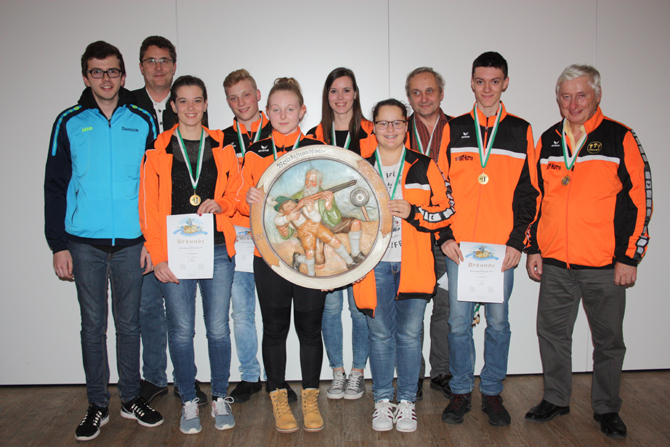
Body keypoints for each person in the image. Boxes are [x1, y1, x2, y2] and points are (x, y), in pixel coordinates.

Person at [524, 64, 652, 439]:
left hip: (604, 265)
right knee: (551, 334)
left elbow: (640, 200)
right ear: (558, 99)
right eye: (565, 96)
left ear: (597, 95)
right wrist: (533, 248)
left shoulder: (619, 136)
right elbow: (534, 198)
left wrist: (629, 256)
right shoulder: (548, 140)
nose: (573, 103)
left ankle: (607, 407)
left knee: (608, 341)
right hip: (555, 263)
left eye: (581, 95)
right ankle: (556, 398)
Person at [44, 40, 163, 442]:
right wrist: (58, 244)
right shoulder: (69, 121)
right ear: (86, 77)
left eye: (112, 71)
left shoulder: (143, 120)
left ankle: (130, 398)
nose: (106, 78)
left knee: (129, 326)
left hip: (132, 242)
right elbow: (55, 185)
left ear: (124, 75)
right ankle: (97, 404)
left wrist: (153, 240)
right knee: (92, 327)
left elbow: (156, 185)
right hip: (83, 244)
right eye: (97, 71)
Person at [437, 52, 539, 427]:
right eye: (480, 81)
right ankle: (461, 390)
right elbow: (440, 187)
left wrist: (517, 242)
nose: (487, 89)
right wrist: (445, 235)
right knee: (457, 324)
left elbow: (529, 192)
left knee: (498, 324)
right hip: (460, 249)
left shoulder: (520, 129)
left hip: (500, 250)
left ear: (505, 83)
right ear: (471, 82)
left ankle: (492, 392)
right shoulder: (455, 128)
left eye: (495, 81)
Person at [139, 75, 241, 434]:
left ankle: (219, 397)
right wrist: (158, 256)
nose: (190, 107)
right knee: (181, 331)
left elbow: (237, 192)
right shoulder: (158, 149)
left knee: (218, 328)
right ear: (173, 106)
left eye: (197, 100)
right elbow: (149, 208)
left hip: (217, 249)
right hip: (175, 253)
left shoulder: (222, 145)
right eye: (182, 101)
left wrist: (222, 203)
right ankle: (188, 400)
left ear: (206, 104)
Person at [353, 99, 455, 433]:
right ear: (373, 127)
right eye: (383, 123)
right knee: (380, 335)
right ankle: (383, 400)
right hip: (374, 267)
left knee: (410, 335)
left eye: (397, 122)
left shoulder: (425, 166)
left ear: (406, 125)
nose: (390, 129)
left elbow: (447, 211)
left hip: (414, 265)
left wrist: (415, 213)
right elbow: (341, 217)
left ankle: (407, 401)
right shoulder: (359, 167)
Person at [241, 77, 326, 433]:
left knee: (309, 329)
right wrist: (246, 198)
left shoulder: (318, 149)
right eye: (275, 109)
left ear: (302, 111)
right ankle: (277, 396)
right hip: (269, 256)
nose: (283, 115)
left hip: (308, 254)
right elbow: (239, 200)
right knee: (274, 329)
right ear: (267, 111)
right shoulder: (255, 151)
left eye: (290, 108)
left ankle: (310, 397)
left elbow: (328, 201)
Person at [131, 35, 207, 407]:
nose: (158, 67)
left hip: (186, 235)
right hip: (144, 228)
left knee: (182, 319)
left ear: (174, 66)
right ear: (140, 67)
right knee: (148, 309)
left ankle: (185, 382)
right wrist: (150, 241)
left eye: (164, 60)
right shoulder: (127, 106)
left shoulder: (197, 117)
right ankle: (154, 378)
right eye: (151, 60)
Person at [307, 68, 372, 400]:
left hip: (363, 224)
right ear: (327, 96)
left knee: (359, 308)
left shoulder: (373, 132)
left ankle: (358, 372)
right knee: (331, 309)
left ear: (356, 93)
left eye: (347, 90)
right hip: (324, 225)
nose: (341, 97)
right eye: (334, 91)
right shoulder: (313, 135)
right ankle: (337, 372)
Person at [220, 69, 270, 403]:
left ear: (258, 94)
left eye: (246, 95)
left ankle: (277, 378)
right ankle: (250, 376)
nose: (241, 103)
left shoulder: (279, 131)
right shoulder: (220, 139)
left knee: (275, 313)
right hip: (236, 232)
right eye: (233, 98)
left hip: (272, 233)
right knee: (241, 312)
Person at [405, 67, 453, 401]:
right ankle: (413, 374)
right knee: (414, 309)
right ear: (409, 97)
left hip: (449, 233)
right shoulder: (396, 129)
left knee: (446, 308)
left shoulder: (461, 130)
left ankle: (442, 372)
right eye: (416, 92)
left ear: (441, 93)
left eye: (430, 91)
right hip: (413, 233)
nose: (423, 98)